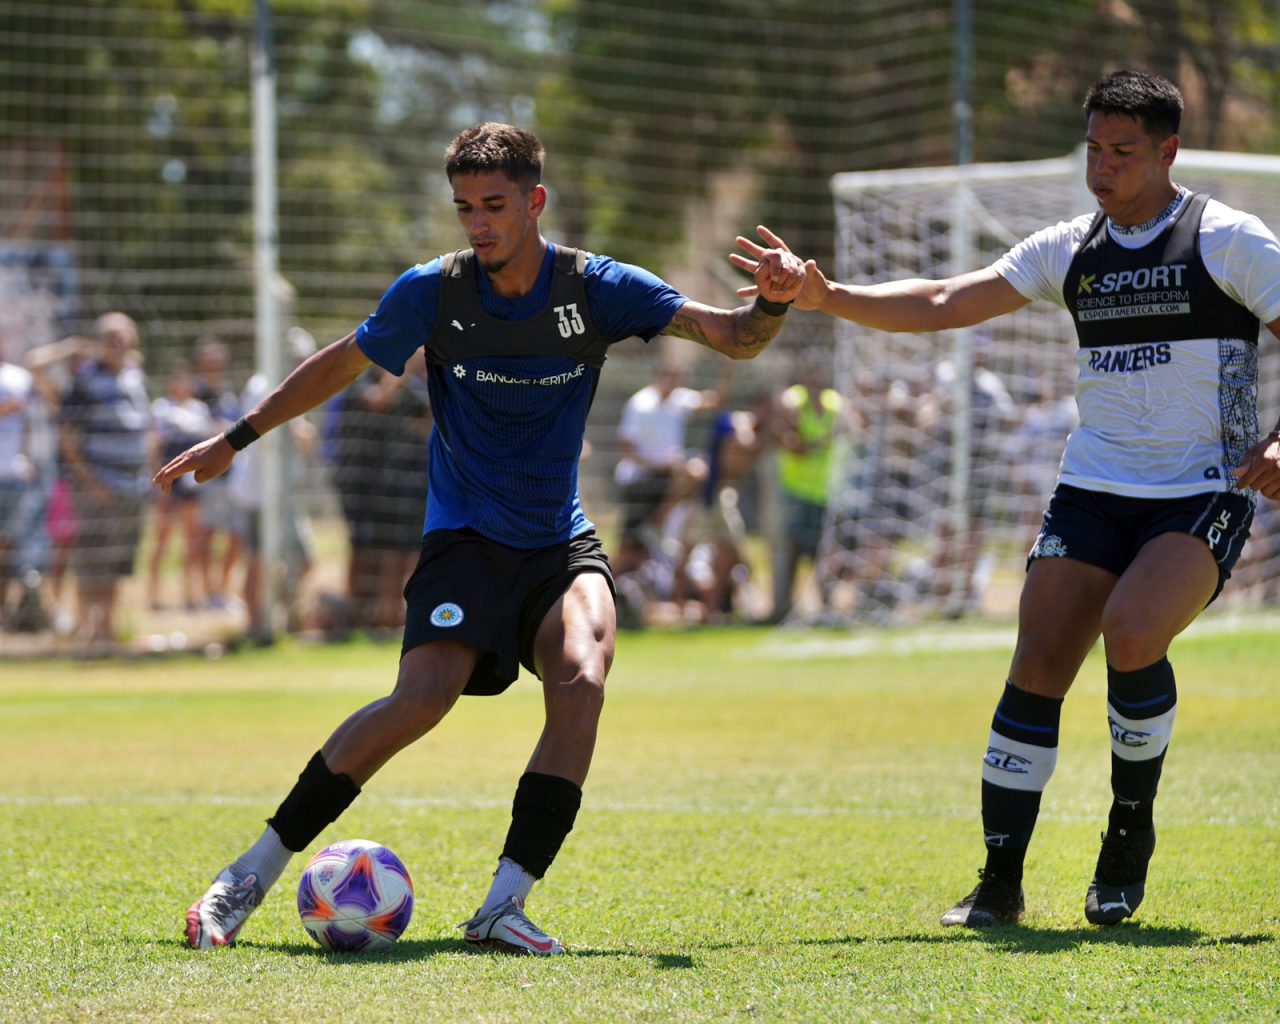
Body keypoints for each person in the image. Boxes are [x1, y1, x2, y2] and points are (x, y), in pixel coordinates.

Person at [155, 122, 805, 954]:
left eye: (494, 205)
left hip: (559, 542)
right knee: (421, 699)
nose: (478, 223)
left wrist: (772, 301)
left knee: (583, 675)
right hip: (465, 540)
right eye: (465, 207)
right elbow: (342, 362)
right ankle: (246, 877)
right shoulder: (434, 292)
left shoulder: (597, 288)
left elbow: (733, 335)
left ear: (535, 202)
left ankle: (503, 904)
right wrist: (234, 438)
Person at [736, 70, 1280, 928]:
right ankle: (999, 881)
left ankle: (1127, 837)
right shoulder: (1070, 247)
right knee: (1038, 663)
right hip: (1092, 489)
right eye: (1093, 150)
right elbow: (946, 300)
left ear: (1169, 152)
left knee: (1133, 630)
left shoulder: (1229, 240)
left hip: (1204, 488)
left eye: (1123, 152)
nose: (1101, 169)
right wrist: (825, 294)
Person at [59, 312, 152, 647]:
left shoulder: (135, 376)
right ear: (100, 342)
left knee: (118, 561)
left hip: (133, 485)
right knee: (91, 560)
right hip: (98, 485)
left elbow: (146, 429)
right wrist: (90, 481)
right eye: (113, 338)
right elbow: (67, 436)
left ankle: (107, 630)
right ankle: (87, 627)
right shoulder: (84, 379)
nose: (120, 344)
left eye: (125, 337)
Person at [771, 359, 851, 622]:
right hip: (795, 489)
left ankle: (825, 607)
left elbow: (854, 425)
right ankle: (786, 608)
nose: (815, 383)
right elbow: (794, 443)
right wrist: (821, 441)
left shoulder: (834, 403)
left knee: (822, 551)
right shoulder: (793, 400)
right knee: (793, 549)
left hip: (824, 491)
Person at [147, 362, 213, 610]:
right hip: (168, 481)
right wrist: (156, 480)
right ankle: (154, 596)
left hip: (191, 483)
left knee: (192, 540)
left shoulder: (199, 410)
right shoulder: (162, 409)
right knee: (162, 540)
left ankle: (190, 595)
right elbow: (154, 446)